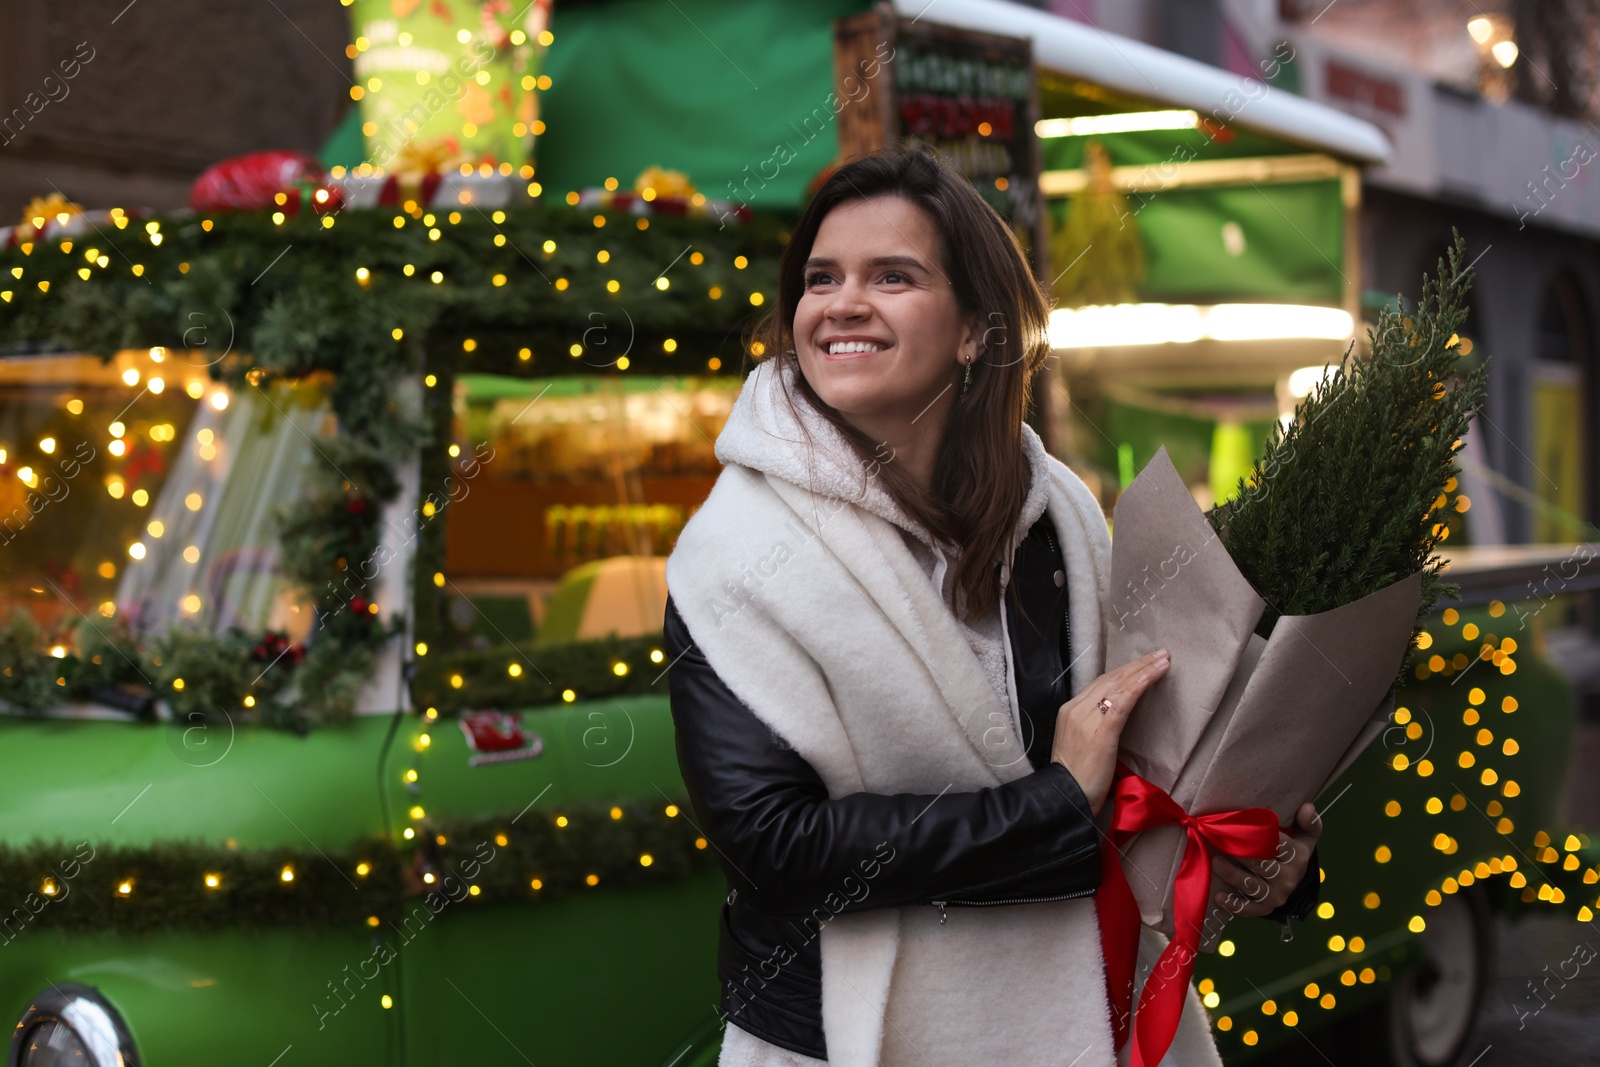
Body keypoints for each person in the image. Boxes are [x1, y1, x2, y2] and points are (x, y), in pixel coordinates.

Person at [661, 146, 1320, 1067]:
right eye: (821, 278)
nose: (842, 302)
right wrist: (1051, 803)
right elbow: (775, 844)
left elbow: (1150, 761)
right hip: (847, 1039)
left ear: (976, 329)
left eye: (893, 275)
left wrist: (1263, 855)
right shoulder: (733, 555)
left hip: (1084, 1011)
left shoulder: (1062, 514)